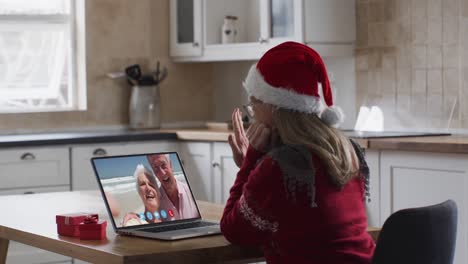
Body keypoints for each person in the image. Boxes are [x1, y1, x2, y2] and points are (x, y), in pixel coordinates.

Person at [221, 41, 375, 263]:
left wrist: (251, 162)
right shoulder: (348, 149)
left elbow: (233, 230)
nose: (253, 116)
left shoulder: (278, 167)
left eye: (254, 106)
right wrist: (257, 167)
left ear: (273, 106)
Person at [147, 154, 199, 220]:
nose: (162, 173)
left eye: (163, 165)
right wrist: (134, 216)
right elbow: (147, 217)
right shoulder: (156, 202)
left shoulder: (190, 190)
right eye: (155, 168)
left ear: (170, 165)